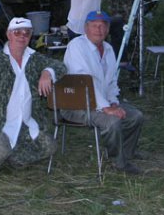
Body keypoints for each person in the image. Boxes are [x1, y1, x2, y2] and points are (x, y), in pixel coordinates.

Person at [0, 17, 67, 177]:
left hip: (25, 123)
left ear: (31, 36)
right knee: (0, 151)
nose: (22, 36)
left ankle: (13, 158)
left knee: (50, 147)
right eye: (17, 32)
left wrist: (47, 72)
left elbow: (60, 66)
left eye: (26, 33)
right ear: (8, 34)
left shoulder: (35, 59)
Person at [62, 10, 145, 175]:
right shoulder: (76, 46)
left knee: (136, 116)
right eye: (94, 26)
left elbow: (112, 81)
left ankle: (126, 153)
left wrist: (113, 101)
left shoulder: (107, 48)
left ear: (107, 29)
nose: (98, 30)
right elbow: (84, 82)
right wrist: (106, 108)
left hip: (101, 102)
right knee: (111, 121)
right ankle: (118, 162)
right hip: (76, 104)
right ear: (86, 28)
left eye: (102, 26)